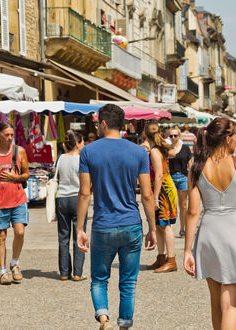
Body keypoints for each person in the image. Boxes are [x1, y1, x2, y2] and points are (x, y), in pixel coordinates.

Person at [76, 104, 157, 330]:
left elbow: (84, 193)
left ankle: (104, 318)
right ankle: (123, 326)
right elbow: (147, 195)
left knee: (99, 279)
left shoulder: (89, 151)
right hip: (131, 223)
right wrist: (152, 228)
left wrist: (80, 228)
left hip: (103, 225)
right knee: (128, 282)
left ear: (103, 124)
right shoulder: (139, 152)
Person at [183, 117, 236, 329]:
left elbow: (192, 212)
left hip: (209, 233)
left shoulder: (196, 166)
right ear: (227, 139)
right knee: (231, 306)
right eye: (235, 136)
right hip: (235, 233)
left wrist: (187, 250)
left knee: (216, 304)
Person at [0, 122, 30, 285]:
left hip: (18, 199)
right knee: (1, 236)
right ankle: (3, 271)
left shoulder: (20, 151)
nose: (10, 138)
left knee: (20, 232)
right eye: (6, 135)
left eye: (11, 135)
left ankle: (14, 263)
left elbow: (26, 174)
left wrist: (14, 178)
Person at [143, 122, 178, 273]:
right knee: (159, 225)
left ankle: (171, 260)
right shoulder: (159, 148)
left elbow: (158, 175)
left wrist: (155, 198)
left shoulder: (155, 151)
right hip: (165, 187)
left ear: (145, 134)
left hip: (163, 190)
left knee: (166, 225)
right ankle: (161, 257)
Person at [55, 130, 87, 281]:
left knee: (63, 237)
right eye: (82, 142)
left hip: (61, 198)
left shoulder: (60, 158)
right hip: (77, 198)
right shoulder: (81, 159)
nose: (84, 144)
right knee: (79, 234)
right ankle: (77, 273)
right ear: (77, 143)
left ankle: (64, 272)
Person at [168, 126, 192, 238]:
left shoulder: (186, 148)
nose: (173, 138)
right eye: (171, 136)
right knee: (170, 205)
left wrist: (192, 180)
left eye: (175, 135)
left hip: (183, 177)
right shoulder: (167, 148)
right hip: (171, 177)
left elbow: (190, 166)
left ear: (179, 136)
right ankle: (170, 228)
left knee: (183, 205)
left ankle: (182, 229)